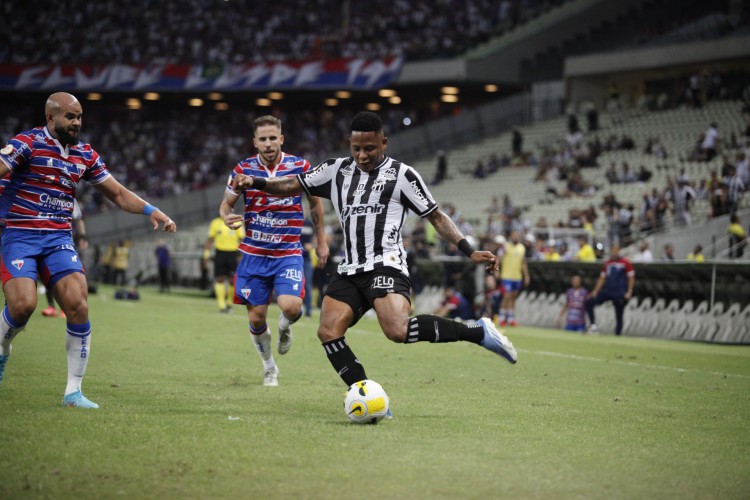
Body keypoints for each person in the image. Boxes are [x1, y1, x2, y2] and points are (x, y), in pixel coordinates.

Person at [230, 111, 517, 399]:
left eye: (370, 148)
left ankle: (478, 332)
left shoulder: (403, 175)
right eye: (356, 149)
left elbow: (437, 217)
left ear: (384, 143)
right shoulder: (335, 170)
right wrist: (254, 182)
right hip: (352, 268)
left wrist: (468, 250)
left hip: (386, 264)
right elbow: (291, 185)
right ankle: (366, 395)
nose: (362, 156)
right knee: (328, 331)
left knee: (396, 330)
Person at [0, 92, 176, 408]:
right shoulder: (27, 143)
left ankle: (73, 392)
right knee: (23, 306)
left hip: (58, 239)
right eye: (70, 116)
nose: (76, 122)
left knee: (79, 305)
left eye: (79, 116)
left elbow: (119, 194)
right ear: (51, 117)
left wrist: (152, 211)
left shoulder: (85, 154)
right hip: (20, 236)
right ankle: (3, 347)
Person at [220, 115, 329, 387]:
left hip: (287, 253)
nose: (268, 144)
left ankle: (284, 327)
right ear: (254, 142)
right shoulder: (242, 169)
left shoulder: (300, 166)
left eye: (273, 138)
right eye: (263, 139)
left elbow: (315, 205)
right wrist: (226, 216)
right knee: (256, 318)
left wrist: (321, 241)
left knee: (291, 307)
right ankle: (269, 367)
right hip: (254, 255)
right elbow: (226, 204)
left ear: (281, 138)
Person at [42, 199, 86, 318]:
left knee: (67, 276)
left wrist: (82, 237)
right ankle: (51, 306)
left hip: (65, 242)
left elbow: (78, 219)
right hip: (45, 240)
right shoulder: (43, 193)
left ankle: (65, 307)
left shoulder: (70, 197)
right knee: (46, 274)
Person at [585, 244, 634, 335]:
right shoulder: (607, 263)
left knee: (619, 313)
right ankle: (593, 326)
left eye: (616, 250)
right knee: (589, 302)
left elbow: (631, 278)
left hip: (619, 292)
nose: (614, 252)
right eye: (613, 250)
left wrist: (629, 291)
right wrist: (595, 291)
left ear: (619, 250)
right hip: (608, 290)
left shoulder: (625, 263)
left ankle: (617, 334)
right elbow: (602, 278)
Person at [203, 215, 244, 313]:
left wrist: (243, 256)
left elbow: (242, 240)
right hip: (220, 253)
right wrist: (206, 256)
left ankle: (229, 302)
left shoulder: (237, 223)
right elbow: (210, 240)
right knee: (220, 278)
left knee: (232, 280)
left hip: (233, 253)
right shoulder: (215, 222)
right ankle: (221, 305)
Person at [496, 230, 529, 326]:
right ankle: (501, 318)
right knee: (506, 296)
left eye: (517, 236)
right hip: (506, 276)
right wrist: (497, 271)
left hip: (517, 277)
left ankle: (511, 319)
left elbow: (523, 263)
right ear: (511, 236)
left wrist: (526, 275)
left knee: (513, 297)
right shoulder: (505, 246)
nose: (515, 237)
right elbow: (498, 259)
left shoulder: (522, 248)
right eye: (514, 235)